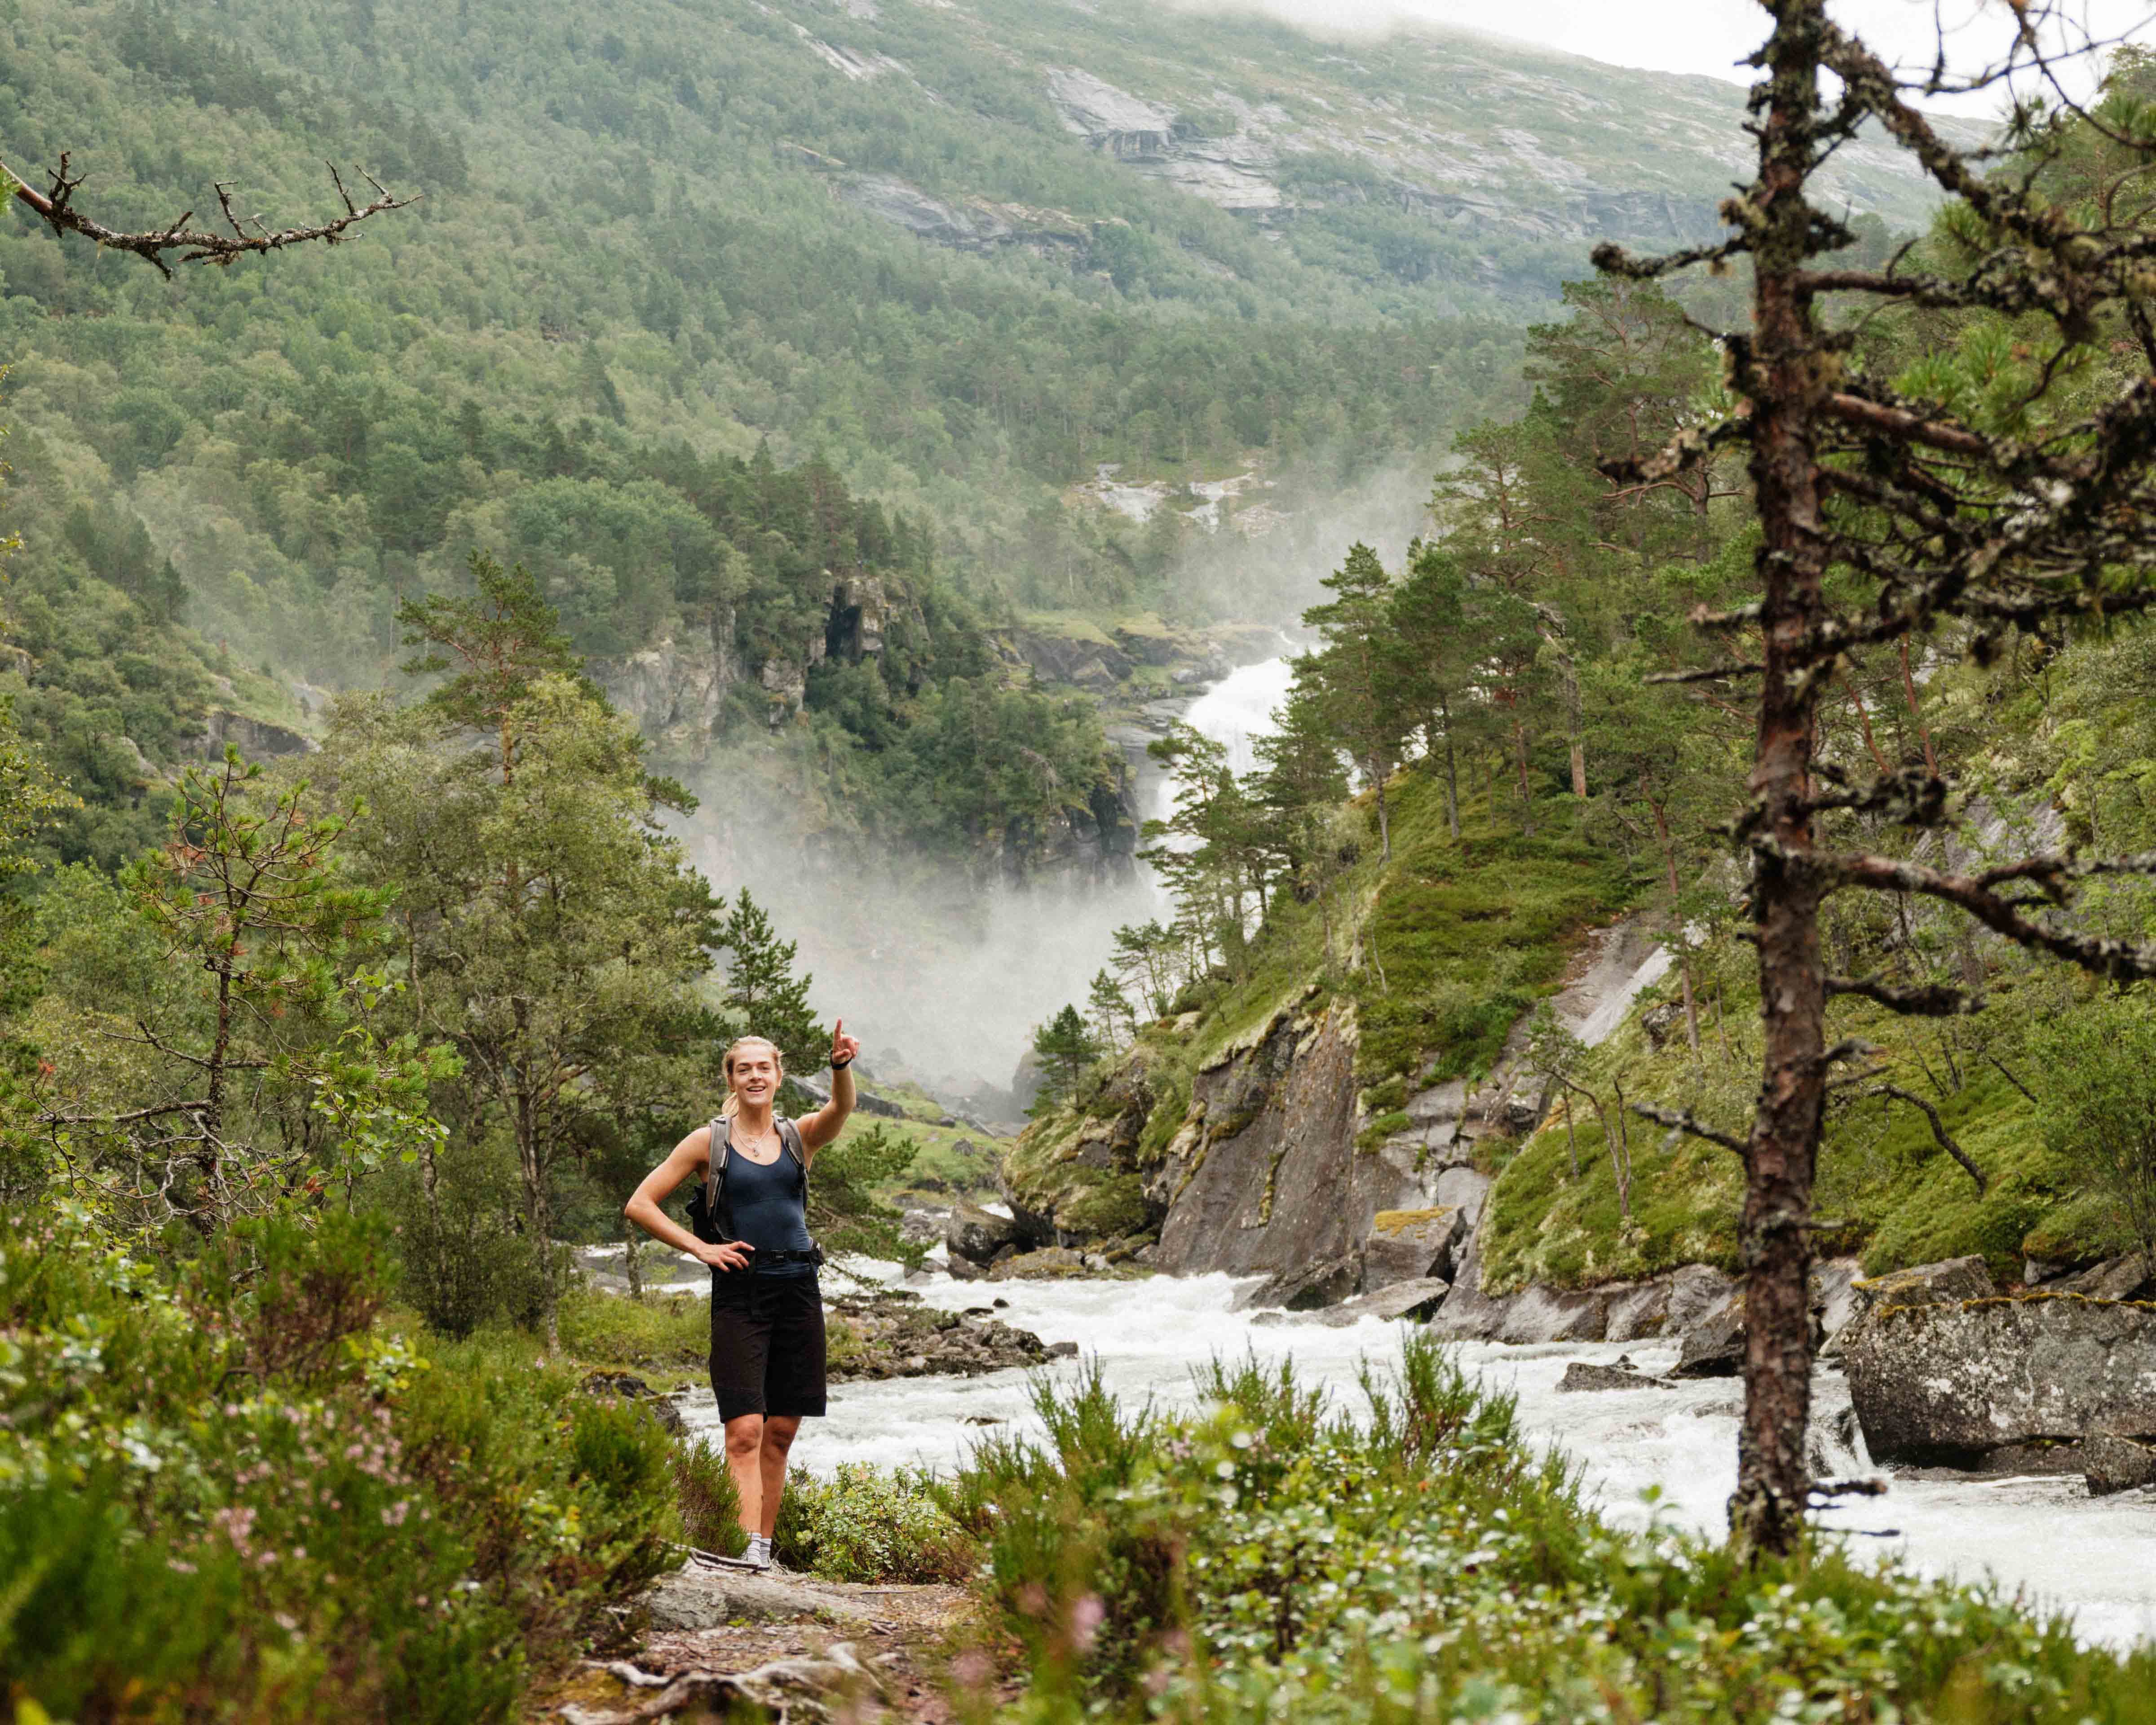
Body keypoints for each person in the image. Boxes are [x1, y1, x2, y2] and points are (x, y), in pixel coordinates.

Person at [624, 1020, 860, 1570]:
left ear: (778, 1076)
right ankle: (743, 1551)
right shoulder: (709, 1142)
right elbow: (641, 1203)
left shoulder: (798, 1137)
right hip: (741, 1293)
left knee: (780, 1431)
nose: (755, 1076)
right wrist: (701, 1250)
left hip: (799, 1289)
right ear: (731, 1078)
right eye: (744, 1068)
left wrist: (841, 1068)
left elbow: (841, 1111)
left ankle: (763, 1553)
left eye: (764, 1067)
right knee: (745, 1430)